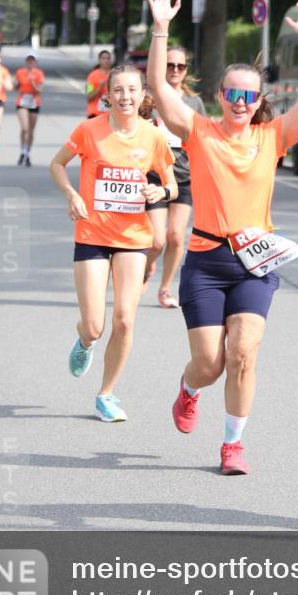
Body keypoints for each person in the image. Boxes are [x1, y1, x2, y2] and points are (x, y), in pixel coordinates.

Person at [146, 0, 298, 474]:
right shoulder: (200, 131)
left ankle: (232, 444)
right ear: (220, 96)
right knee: (210, 364)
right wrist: (161, 30)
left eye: (250, 95)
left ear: (258, 98)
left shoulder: (273, 136)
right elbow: (161, 92)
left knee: (244, 352)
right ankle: (188, 390)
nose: (241, 102)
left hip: (255, 263)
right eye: (233, 93)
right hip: (205, 263)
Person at [49, 63, 178, 422]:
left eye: (132, 90)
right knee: (95, 325)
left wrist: (160, 189)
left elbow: (173, 184)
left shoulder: (153, 136)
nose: (125, 97)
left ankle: (106, 394)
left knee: (124, 320)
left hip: (132, 239)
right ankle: (85, 341)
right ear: (107, 95)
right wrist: (72, 194)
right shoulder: (89, 130)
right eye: (118, 90)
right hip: (92, 233)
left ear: (142, 95)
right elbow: (57, 165)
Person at [143, 47, 205, 308]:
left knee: (176, 236)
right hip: (155, 177)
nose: (175, 70)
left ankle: (165, 289)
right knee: (156, 241)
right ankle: (146, 267)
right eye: (170, 65)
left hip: (185, 177)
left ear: (187, 70)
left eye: (181, 66)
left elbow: (202, 138)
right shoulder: (149, 99)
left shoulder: (195, 102)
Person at [15, 52, 45, 166]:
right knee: (25, 128)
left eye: (32, 60)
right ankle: (22, 150)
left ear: (35, 62)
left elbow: (40, 91)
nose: (30, 62)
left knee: (31, 130)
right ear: (26, 61)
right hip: (22, 101)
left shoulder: (39, 74)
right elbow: (15, 86)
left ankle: (28, 153)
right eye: (28, 60)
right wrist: (16, 84)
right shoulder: (20, 72)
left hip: (34, 102)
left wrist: (33, 84)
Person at [85, 50, 113, 119]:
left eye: (108, 58)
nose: (106, 61)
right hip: (94, 114)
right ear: (99, 60)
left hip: (110, 114)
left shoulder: (115, 74)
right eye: (103, 58)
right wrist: (99, 88)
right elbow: (89, 97)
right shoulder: (92, 76)